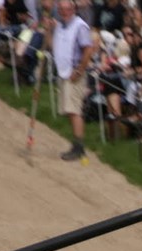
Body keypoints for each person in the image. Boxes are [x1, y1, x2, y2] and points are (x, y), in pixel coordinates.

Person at [49, 0, 94, 161]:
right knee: (69, 110)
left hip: (74, 73)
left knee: (74, 110)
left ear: (73, 9)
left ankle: (79, 147)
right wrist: (48, 30)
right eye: (61, 9)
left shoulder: (80, 26)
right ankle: (76, 144)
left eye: (67, 9)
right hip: (63, 72)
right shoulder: (60, 26)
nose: (64, 12)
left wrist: (80, 70)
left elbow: (88, 49)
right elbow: (52, 45)